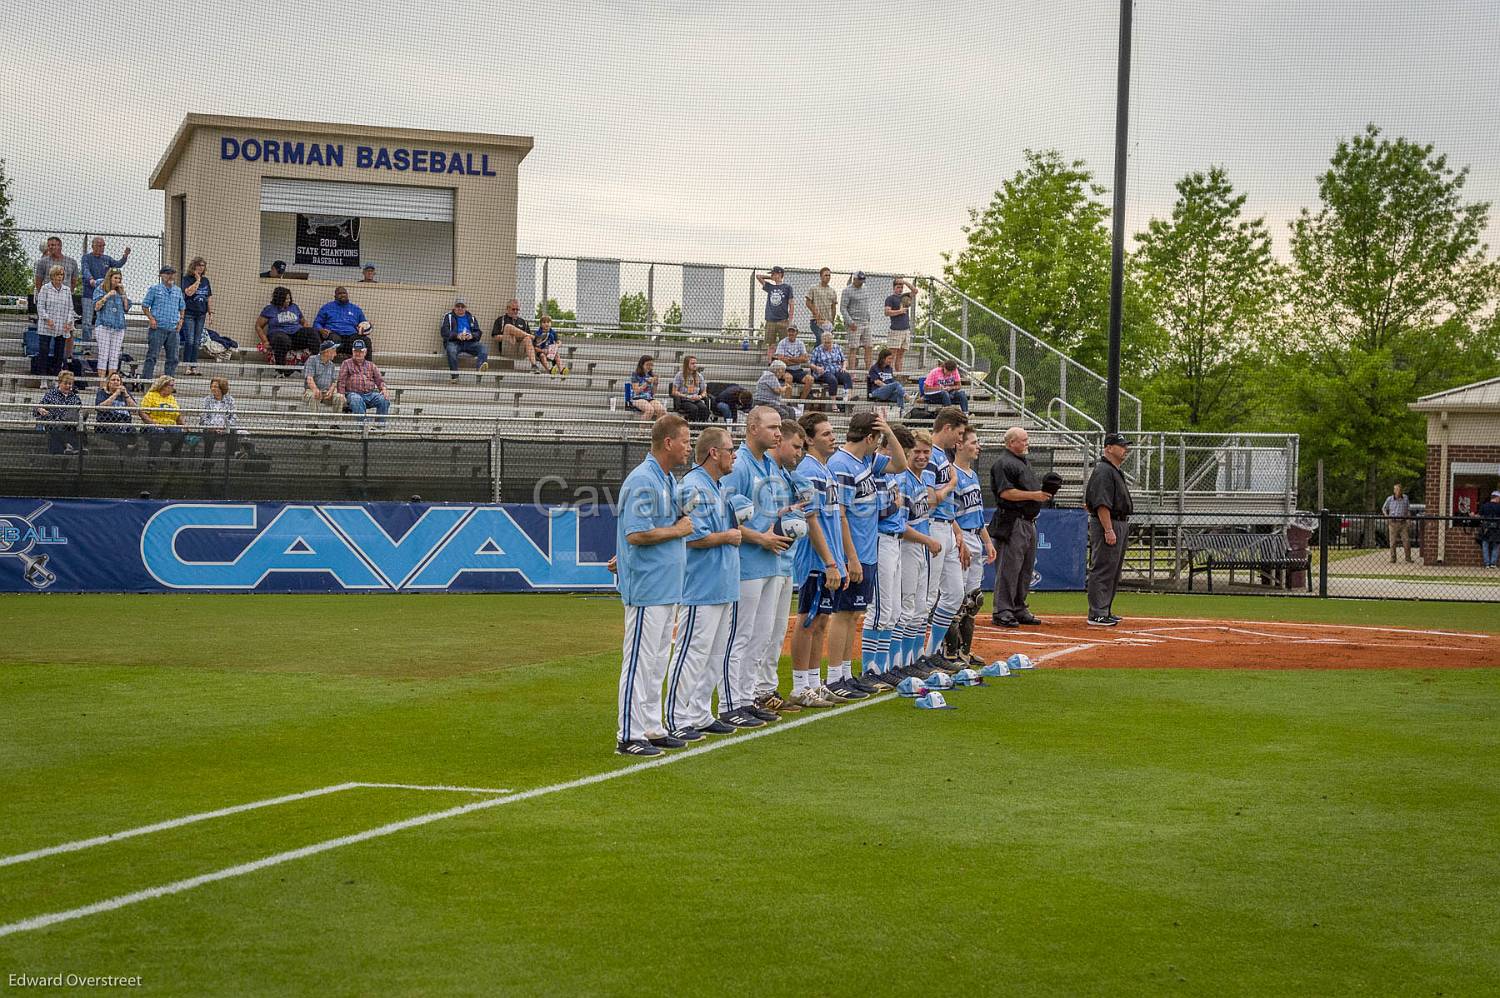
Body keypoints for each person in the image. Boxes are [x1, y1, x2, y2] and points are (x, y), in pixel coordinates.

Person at [666, 425, 758, 737]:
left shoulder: (716, 486)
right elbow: (689, 537)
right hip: (701, 585)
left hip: (722, 583)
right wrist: (729, 536)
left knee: (714, 654)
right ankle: (677, 718)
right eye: (730, 449)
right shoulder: (694, 485)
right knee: (691, 653)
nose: (734, 455)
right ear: (714, 453)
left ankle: (700, 712)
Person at [614, 414, 695, 756]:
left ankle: (650, 725)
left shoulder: (665, 479)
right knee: (640, 661)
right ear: (668, 443)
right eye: (686, 441)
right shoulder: (644, 479)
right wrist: (678, 530)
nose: (689, 448)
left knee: (658, 660)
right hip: (647, 588)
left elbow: (646, 529)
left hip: (666, 585)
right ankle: (629, 735)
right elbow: (636, 533)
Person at [722, 407, 799, 718]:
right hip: (747, 562)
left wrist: (787, 521)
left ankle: (748, 696)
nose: (778, 433)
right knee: (741, 636)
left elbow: (769, 512)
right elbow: (722, 518)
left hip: (770, 561)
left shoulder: (770, 465)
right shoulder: (739, 466)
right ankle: (731, 704)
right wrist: (761, 538)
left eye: (779, 427)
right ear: (752, 428)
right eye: (772, 427)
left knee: (762, 635)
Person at [830, 411, 908, 693]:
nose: (879, 444)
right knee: (843, 613)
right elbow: (840, 515)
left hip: (867, 549)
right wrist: (851, 557)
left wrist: (888, 431)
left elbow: (901, 464)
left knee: (853, 614)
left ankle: (846, 674)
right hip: (855, 552)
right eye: (878, 438)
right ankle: (834, 677)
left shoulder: (865, 461)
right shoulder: (842, 464)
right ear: (869, 437)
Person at [789, 412, 856, 707]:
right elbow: (811, 519)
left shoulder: (825, 470)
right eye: (826, 433)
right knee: (809, 620)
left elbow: (833, 518)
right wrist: (830, 561)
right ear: (809, 439)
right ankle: (800, 686)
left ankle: (815, 683)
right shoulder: (807, 470)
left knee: (822, 621)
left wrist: (839, 561)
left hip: (829, 559)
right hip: (814, 559)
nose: (833, 438)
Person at [888, 428, 947, 679]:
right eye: (917, 451)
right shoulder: (904, 479)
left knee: (920, 607)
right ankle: (897, 663)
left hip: (920, 547)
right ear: (908, 452)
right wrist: (927, 540)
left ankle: (913, 659)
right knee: (906, 605)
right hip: (909, 547)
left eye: (926, 452)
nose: (922, 456)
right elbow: (901, 525)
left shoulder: (922, 480)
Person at [916, 407, 969, 671]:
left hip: (946, 526)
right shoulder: (931, 456)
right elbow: (928, 499)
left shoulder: (943, 456)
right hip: (933, 527)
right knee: (926, 596)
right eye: (958, 433)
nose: (959, 440)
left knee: (955, 594)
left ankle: (931, 651)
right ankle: (914, 658)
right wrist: (951, 484)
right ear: (946, 428)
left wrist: (957, 532)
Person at [944, 427, 997, 667]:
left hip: (975, 534)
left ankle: (966, 650)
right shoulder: (951, 473)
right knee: (957, 598)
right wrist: (959, 538)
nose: (978, 447)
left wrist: (987, 541)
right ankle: (950, 651)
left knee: (974, 599)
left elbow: (976, 512)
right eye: (974, 443)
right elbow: (948, 512)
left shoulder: (973, 475)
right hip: (961, 537)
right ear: (959, 445)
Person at [989, 426, 1050, 628]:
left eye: (1026, 439)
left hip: (1028, 521)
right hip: (1012, 520)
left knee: (1025, 568)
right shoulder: (1003, 463)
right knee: (1010, 567)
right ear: (1011, 442)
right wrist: (1035, 496)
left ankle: (1019, 607)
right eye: (1023, 440)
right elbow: (1005, 493)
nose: (1027, 443)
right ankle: (1002, 610)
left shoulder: (1022, 462)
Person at [1085, 432, 1134, 626]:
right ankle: (1097, 612)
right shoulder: (1104, 470)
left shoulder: (1114, 470)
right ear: (1109, 448)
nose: (1125, 449)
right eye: (1121, 446)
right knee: (1103, 567)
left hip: (1119, 522)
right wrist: (1108, 529)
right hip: (1109, 522)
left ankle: (1105, 609)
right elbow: (1101, 504)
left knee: (1113, 569)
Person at [80, 237, 130, 342]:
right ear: (93, 246)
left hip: (104, 294)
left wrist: (125, 256)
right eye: (99, 245)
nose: (102, 248)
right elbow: (85, 270)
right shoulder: (87, 258)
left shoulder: (107, 259)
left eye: (103, 245)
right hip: (89, 293)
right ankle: (86, 345)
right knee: (87, 321)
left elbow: (118, 264)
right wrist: (91, 280)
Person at [257, 287, 319, 371]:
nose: (288, 301)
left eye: (289, 298)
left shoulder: (294, 307)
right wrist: (265, 341)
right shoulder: (269, 309)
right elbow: (258, 326)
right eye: (286, 299)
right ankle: (281, 370)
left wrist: (306, 331)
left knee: (313, 332)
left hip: (295, 336)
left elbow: (304, 322)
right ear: (279, 299)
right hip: (279, 336)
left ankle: (314, 364)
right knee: (282, 339)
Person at [141, 266, 185, 379]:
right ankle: (146, 380)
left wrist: (181, 320)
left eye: (172, 273)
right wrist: (151, 319)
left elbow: (182, 307)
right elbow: (145, 306)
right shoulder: (154, 289)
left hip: (173, 329)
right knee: (152, 356)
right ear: (161, 275)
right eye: (167, 273)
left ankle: (168, 382)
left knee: (173, 358)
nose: (170, 276)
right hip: (158, 328)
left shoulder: (178, 290)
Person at [200, 377, 258, 465]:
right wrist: (212, 427)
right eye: (211, 386)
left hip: (226, 428)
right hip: (210, 428)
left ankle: (236, 455)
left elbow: (233, 417)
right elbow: (203, 417)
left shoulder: (230, 400)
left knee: (234, 432)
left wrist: (226, 427)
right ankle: (206, 461)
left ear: (222, 388)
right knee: (209, 436)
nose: (213, 388)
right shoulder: (207, 400)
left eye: (215, 387)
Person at [337, 340, 390, 427]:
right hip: (352, 394)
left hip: (369, 394)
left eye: (360, 351)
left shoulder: (371, 365)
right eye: (355, 351)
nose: (358, 353)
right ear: (352, 351)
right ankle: (365, 426)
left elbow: (380, 380)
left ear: (365, 352)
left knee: (384, 399)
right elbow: (341, 381)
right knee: (356, 399)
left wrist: (384, 389)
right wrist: (342, 394)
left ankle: (380, 427)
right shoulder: (346, 363)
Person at [35, 264, 75, 377]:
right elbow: (40, 306)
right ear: (52, 276)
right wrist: (46, 318)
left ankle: (57, 376)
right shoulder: (45, 288)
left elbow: (70, 308)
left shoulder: (67, 290)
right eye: (58, 274)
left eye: (61, 275)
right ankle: (43, 377)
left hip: (62, 326)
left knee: (59, 352)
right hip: (46, 325)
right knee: (44, 351)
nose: (60, 277)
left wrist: (69, 322)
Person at [177, 257, 213, 377]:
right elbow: (188, 292)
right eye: (199, 265)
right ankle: (187, 365)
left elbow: (208, 297)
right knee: (190, 340)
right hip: (189, 313)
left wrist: (210, 313)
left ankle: (194, 366)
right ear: (194, 266)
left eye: (203, 266)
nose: (201, 268)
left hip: (201, 314)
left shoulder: (206, 281)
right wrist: (197, 280)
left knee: (197, 341)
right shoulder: (187, 279)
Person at [91, 268, 131, 376]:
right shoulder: (100, 289)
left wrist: (123, 295)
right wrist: (107, 296)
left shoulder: (121, 292)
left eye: (119, 278)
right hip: (104, 326)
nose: (117, 280)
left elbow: (126, 308)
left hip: (118, 327)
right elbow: (96, 307)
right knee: (104, 355)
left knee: (114, 355)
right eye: (115, 278)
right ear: (110, 278)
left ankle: (111, 381)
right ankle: (102, 383)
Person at [315, 287, 374, 357]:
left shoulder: (356, 309)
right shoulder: (327, 307)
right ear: (335, 296)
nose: (342, 295)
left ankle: (368, 366)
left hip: (351, 337)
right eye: (339, 293)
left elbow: (363, 323)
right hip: (334, 335)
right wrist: (321, 330)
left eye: (344, 293)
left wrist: (366, 327)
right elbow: (317, 323)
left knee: (366, 340)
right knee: (334, 340)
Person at [34, 371, 83, 455]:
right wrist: (40, 409)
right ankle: (69, 446)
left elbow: (79, 411)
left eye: (70, 384)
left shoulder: (75, 397)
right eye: (66, 383)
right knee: (57, 426)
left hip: (71, 425)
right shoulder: (51, 394)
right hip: (54, 424)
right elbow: (37, 409)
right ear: (59, 383)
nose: (68, 386)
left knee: (78, 418)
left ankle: (75, 447)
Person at [140, 375, 186, 462]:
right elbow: (143, 413)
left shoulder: (171, 398)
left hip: (170, 426)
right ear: (163, 386)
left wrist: (184, 426)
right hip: (153, 425)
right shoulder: (151, 395)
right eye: (171, 385)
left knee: (179, 433)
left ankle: (174, 461)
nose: (173, 388)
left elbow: (178, 415)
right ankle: (152, 461)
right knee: (158, 432)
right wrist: (153, 423)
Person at [440, 297, 489, 377]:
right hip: (454, 342)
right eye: (458, 306)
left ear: (465, 308)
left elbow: (478, 332)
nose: (460, 308)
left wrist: (471, 336)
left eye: (462, 306)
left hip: (469, 342)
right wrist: (457, 336)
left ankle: (480, 371)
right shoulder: (448, 317)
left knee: (483, 348)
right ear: (454, 307)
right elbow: (444, 332)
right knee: (451, 350)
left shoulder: (471, 318)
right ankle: (455, 377)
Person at [754, 266, 795, 360]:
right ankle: (770, 363)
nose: (772, 275)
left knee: (784, 344)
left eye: (774, 273)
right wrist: (770, 278)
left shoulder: (787, 287)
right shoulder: (770, 287)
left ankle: (784, 363)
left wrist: (790, 320)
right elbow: (758, 276)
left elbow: (791, 304)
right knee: (771, 344)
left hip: (783, 320)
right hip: (770, 320)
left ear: (780, 274)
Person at [93, 372, 138, 452]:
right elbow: (101, 408)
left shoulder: (125, 394)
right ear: (108, 383)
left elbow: (135, 409)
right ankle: (127, 450)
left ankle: (128, 452)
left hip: (124, 423)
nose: (116, 382)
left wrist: (126, 395)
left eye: (118, 380)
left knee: (133, 431)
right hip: (107, 424)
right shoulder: (102, 393)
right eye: (113, 380)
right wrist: (116, 394)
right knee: (120, 437)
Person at [840, 271, 874, 372]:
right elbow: (843, 308)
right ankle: (852, 374)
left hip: (865, 322)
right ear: (854, 279)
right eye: (859, 280)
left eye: (862, 280)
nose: (861, 282)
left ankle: (869, 374)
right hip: (854, 323)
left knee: (869, 347)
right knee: (853, 348)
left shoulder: (865, 288)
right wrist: (850, 322)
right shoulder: (847, 291)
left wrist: (868, 318)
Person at [884, 277, 917, 371]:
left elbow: (915, 291)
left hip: (906, 330)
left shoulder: (905, 297)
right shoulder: (890, 299)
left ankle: (899, 374)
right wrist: (899, 311)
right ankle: (888, 374)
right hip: (896, 330)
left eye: (901, 287)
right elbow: (887, 312)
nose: (900, 289)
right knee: (892, 355)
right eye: (898, 287)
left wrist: (905, 282)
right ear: (894, 288)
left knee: (901, 355)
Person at [773, 326, 815, 398]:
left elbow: (805, 359)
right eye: (789, 331)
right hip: (785, 369)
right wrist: (798, 360)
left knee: (810, 379)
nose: (791, 333)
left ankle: (801, 401)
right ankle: (788, 402)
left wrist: (790, 359)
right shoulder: (782, 342)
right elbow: (781, 359)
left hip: (798, 370)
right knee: (789, 378)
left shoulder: (800, 343)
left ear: (797, 333)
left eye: (793, 331)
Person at [303, 340, 346, 412]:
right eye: (334, 351)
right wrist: (315, 390)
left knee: (339, 397)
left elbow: (334, 381)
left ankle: (336, 422)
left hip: (326, 392)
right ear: (326, 352)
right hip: (311, 390)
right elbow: (309, 378)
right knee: (314, 396)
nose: (335, 354)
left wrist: (331, 390)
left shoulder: (332, 365)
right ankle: (313, 422)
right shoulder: (312, 360)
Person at [810, 331, 853, 401]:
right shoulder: (817, 350)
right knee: (832, 380)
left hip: (837, 370)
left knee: (847, 376)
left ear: (832, 341)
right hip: (824, 372)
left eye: (829, 342)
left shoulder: (837, 348)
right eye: (825, 343)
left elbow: (844, 360)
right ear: (822, 341)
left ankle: (847, 399)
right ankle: (834, 404)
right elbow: (811, 364)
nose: (827, 344)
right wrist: (816, 368)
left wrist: (844, 367)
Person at [493, 299, 534, 368]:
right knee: (508, 326)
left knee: (528, 338)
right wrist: (507, 337)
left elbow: (530, 340)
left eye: (517, 310)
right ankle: (526, 334)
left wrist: (518, 336)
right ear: (507, 309)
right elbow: (495, 337)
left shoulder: (523, 322)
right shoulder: (501, 320)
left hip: (520, 350)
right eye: (513, 309)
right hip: (508, 349)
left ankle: (534, 365)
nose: (515, 311)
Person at [669, 355, 711, 422]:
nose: (695, 365)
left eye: (695, 363)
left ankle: (701, 427)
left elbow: (704, 391)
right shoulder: (679, 375)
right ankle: (692, 427)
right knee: (694, 409)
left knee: (704, 408)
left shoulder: (699, 376)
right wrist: (687, 396)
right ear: (686, 364)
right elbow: (674, 392)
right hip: (684, 400)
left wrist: (700, 396)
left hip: (696, 399)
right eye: (692, 363)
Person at [626, 355, 666, 421]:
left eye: (651, 365)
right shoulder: (635, 374)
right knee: (650, 410)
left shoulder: (651, 375)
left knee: (662, 411)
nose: (650, 367)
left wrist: (655, 384)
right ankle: (642, 431)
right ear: (642, 365)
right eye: (648, 365)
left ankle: (656, 429)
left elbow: (653, 393)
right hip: (637, 398)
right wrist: (647, 383)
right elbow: (636, 391)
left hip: (649, 398)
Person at [805, 267, 838, 343]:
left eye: (829, 275)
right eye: (826, 275)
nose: (828, 277)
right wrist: (816, 314)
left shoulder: (832, 291)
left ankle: (816, 354)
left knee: (826, 342)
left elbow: (833, 307)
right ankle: (815, 354)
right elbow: (808, 302)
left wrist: (832, 320)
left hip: (827, 322)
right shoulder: (814, 288)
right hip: (816, 320)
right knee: (821, 339)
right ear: (821, 276)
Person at [1382, 483, 1413, 563]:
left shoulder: (1405, 498)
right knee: (1392, 542)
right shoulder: (1390, 499)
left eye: (1398, 489)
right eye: (1395, 489)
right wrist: (1387, 516)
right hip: (1393, 523)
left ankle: (1408, 558)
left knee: (1406, 541)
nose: (1397, 491)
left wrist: (1409, 521)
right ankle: (1393, 558)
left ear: (1401, 490)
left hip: (1403, 523)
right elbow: (1384, 508)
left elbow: (1408, 510)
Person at [1479, 490, 1500, 569]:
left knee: (1485, 545)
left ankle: (1487, 564)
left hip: (1486, 528)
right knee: (1496, 546)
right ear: (1497, 497)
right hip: (1496, 528)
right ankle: (1493, 564)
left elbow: (1480, 515)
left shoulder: (1485, 506)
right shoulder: (1499, 506)